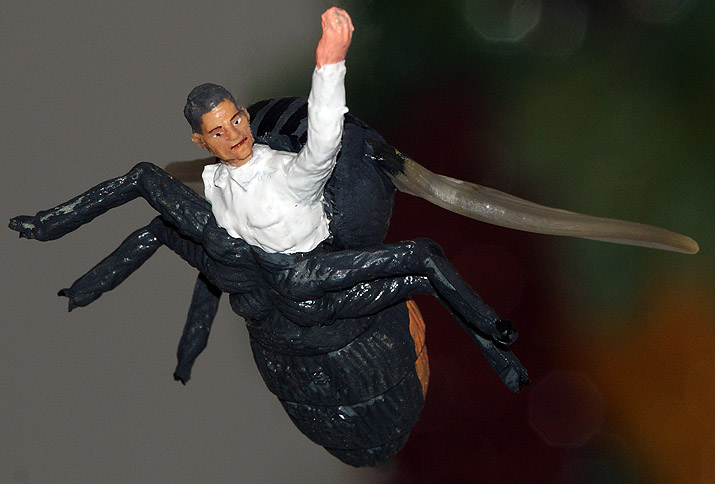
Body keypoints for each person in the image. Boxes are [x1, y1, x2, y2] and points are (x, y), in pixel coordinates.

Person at [184, 6, 353, 254]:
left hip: (314, 269)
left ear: (246, 115)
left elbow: (323, 147)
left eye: (236, 121)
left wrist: (329, 65)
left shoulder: (284, 175)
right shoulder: (215, 186)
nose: (234, 136)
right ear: (200, 141)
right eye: (218, 133)